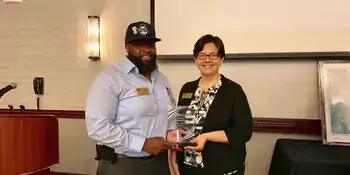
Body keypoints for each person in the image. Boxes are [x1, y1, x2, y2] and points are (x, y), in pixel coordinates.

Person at [85, 21, 177, 175]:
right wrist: (142, 144)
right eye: (139, 45)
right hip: (122, 165)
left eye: (150, 44)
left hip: (159, 164)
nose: (146, 50)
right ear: (127, 47)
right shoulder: (110, 78)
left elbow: (170, 114)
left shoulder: (162, 79)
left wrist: (173, 133)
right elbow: (97, 126)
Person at [170, 34, 253, 175]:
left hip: (222, 168)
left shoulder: (233, 91)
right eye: (202, 55)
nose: (207, 60)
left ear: (221, 59)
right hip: (189, 167)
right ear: (195, 59)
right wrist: (173, 158)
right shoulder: (187, 89)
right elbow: (180, 128)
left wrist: (206, 137)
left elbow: (244, 131)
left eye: (213, 55)